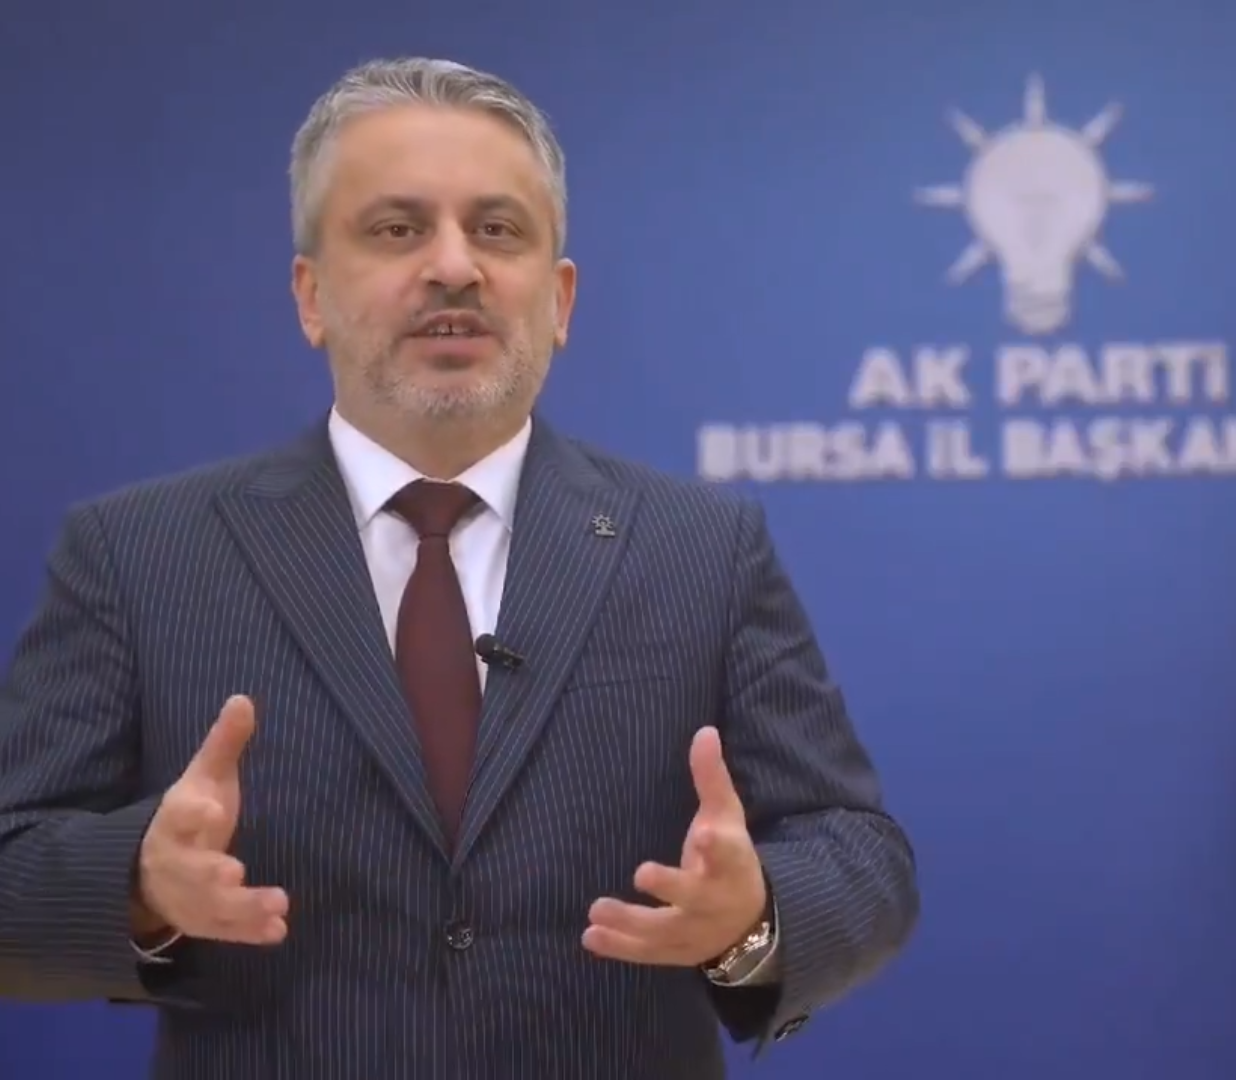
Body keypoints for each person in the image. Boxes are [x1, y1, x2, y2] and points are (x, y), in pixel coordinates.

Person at [0, 56, 918, 1079]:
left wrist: (753, 918)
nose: (454, 267)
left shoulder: (702, 547)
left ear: (559, 300)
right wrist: (137, 883)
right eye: (397, 229)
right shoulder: (138, 555)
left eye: (497, 230)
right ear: (310, 295)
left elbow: (860, 852)